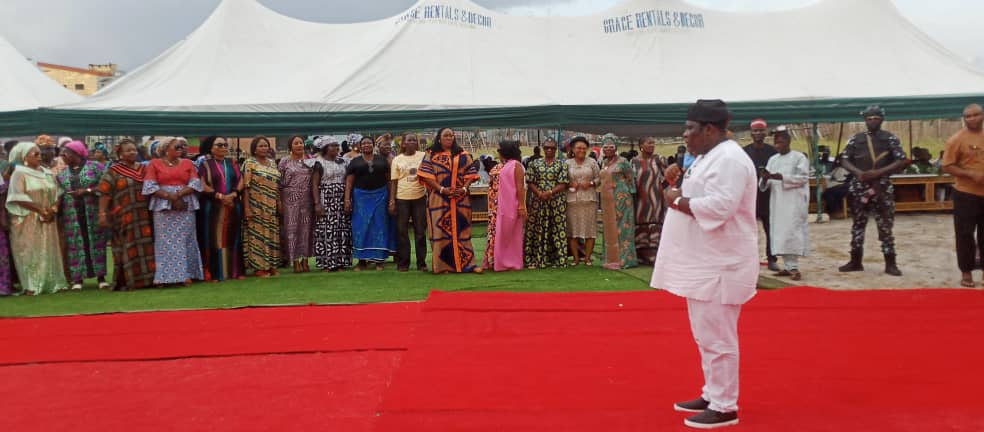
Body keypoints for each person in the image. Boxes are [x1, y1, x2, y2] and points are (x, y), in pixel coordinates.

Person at [652, 100, 757, 429]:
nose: (685, 134)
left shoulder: (729, 159)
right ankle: (713, 393)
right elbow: (698, 193)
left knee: (719, 338)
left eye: (690, 128)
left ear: (709, 129)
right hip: (705, 261)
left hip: (722, 263)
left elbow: (721, 206)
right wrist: (676, 187)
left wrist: (677, 200)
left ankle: (725, 406)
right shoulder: (707, 156)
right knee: (706, 335)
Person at [838, 105, 907, 276]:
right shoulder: (856, 139)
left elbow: (901, 160)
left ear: (882, 119)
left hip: (881, 187)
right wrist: (858, 173)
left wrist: (879, 172)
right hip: (859, 187)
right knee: (857, 225)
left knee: (885, 226)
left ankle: (890, 263)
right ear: (865, 120)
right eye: (869, 118)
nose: (872, 121)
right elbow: (844, 159)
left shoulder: (890, 138)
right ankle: (855, 261)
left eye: (876, 118)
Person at [5, 142, 69, 295]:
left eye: (40, 153)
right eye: (35, 154)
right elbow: (17, 196)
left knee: (49, 249)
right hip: (27, 219)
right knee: (29, 251)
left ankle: (53, 282)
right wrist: (40, 210)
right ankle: (31, 285)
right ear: (24, 157)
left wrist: (53, 209)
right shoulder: (19, 173)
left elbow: (58, 192)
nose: (40, 156)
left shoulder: (47, 172)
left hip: (47, 217)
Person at [417, 127, 482, 273]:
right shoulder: (431, 154)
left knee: (462, 230)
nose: (449, 138)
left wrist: (464, 188)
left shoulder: (463, 154)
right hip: (438, 199)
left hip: (460, 199)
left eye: (451, 135)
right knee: (440, 233)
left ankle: (468, 265)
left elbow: (471, 174)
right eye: (446, 135)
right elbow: (426, 175)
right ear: (439, 138)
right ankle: (442, 266)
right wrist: (441, 189)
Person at [143, 137, 204, 286]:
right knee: (164, 241)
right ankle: (163, 277)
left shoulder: (188, 163)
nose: (181, 149)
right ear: (165, 149)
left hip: (185, 203)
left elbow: (195, 183)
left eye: (182, 147)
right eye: (177, 147)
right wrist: (170, 196)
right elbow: (150, 185)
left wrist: (179, 195)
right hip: (163, 205)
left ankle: (186, 274)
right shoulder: (154, 164)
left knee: (186, 239)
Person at [97, 139, 156, 290]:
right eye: (128, 150)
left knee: (146, 246)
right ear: (120, 154)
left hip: (144, 215)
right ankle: (127, 281)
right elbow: (104, 193)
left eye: (134, 150)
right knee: (126, 246)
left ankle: (147, 280)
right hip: (123, 215)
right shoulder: (113, 171)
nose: (132, 152)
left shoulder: (144, 169)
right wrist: (102, 213)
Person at [758, 126, 810, 281]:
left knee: (791, 232)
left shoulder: (799, 157)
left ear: (788, 141)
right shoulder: (773, 159)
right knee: (780, 233)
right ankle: (787, 266)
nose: (777, 145)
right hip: (777, 202)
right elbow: (764, 184)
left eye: (780, 142)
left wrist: (782, 177)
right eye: (776, 143)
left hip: (793, 201)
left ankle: (793, 267)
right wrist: (765, 178)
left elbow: (803, 178)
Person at [56, 140, 110, 290]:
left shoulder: (95, 167)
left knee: (97, 243)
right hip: (71, 214)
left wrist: (87, 191)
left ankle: (101, 277)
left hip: (92, 211)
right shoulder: (62, 174)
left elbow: (105, 186)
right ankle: (78, 279)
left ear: (76, 153)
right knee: (75, 245)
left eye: (65, 153)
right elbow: (60, 193)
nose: (62, 156)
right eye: (61, 154)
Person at [941, 104, 984, 287]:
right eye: (968, 116)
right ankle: (966, 273)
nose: (972, 119)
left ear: (982, 115)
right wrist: (970, 174)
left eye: (976, 115)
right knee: (965, 235)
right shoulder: (956, 140)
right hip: (966, 194)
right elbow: (947, 166)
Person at [197, 135, 245, 282]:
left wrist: (233, 194)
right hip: (213, 206)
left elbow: (241, 180)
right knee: (214, 239)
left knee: (234, 237)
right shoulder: (205, 164)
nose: (223, 147)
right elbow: (202, 184)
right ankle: (215, 273)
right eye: (219, 145)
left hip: (232, 205)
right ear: (211, 148)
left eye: (225, 145)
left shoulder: (233, 162)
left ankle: (235, 271)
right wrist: (219, 196)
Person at [345, 135, 396, 270]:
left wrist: (392, 199)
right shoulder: (355, 161)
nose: (366, 145)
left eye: (369, 143)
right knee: (361, 227)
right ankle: (362, 261)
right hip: (360, 198)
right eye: (364, 143)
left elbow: (390, 181)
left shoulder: (382, 160)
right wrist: (347, 199)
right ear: (360, 146)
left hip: (381, 196)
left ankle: (379, 260)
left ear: (373, 145)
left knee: (380, 226)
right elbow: (349, 182)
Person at [524, 137, 570, 268]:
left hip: (556, 201)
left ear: (556, 149)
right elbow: (530, 181)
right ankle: (535, 258)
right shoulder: (534, 163)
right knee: (536, 228)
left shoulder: (562, 164)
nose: (549, 150)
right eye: (547, 148)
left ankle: (558, 259)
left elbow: (563, 183)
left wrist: (549, 192)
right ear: (543, 149)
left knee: (557, 228)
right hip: (537, 201)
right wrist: (539, 193)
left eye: (552, 148)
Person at [483, 140, 527, 271]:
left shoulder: (516, 165)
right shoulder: (503, 165)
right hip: (498, 205)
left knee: (510, 233)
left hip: (510, 204)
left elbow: (520, 187)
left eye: (499, 150)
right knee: (499, 232)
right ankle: (497, 260)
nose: (498, 152)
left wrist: (522, 205)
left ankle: (511, 261)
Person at [242, 135, 282, 277]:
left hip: (271, 205)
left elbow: (277, 185)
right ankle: (259, 267)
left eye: (266, 145)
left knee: (271, 234)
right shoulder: (249, 163)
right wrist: (247, 208)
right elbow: (245, 187)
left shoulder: (272, 163)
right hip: (256, 205)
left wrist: (279, 202)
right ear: (254, 149)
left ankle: (271, 265)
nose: (264, 148)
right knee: (257, 236)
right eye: (261, 146)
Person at [311, 136, 352, 272]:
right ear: (325, 148)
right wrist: (317, 203)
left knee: (341, 230)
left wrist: (347, 200)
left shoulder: (343, 161)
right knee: (327, 230)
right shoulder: (319, 163)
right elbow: (314, 185)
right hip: (326, 199)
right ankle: (327, 263)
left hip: (341, 199)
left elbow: (348, 180)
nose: (336, 148)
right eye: (332, 145)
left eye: (337, 145)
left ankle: (340, 262)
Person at [743, 118, 779, 271]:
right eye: (755, 131)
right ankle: (748, 260)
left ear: (765, 133)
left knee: (771, 229)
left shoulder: (773, 152)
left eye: (761, 131)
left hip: (768, 196)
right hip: (750, 197)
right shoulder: (744, 152)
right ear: (751, 133)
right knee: (748, 230)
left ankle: (772, 259)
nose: (758, 133)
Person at [390, 133, 428, 272]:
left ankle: (421, 263)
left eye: (414, 140)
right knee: (402, 232)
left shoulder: (423, 156)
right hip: (402, 199)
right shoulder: (397, 159)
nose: (412, 142)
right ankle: (403, 263)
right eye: (409, 140)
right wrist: (392, 200)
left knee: (420, 232)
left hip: (420, 198)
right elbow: (394, 182)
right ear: (403, 143)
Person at [598, 135, 637, 270]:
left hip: (622, 198)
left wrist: (629, 194)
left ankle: (625, 260)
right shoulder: (604, 163)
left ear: (616, 148)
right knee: (610, 228)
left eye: (611, 147)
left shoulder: (623, 161)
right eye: (605, 147)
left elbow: (631, 177)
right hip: (607, 200)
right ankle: (611, 258)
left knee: (623, 228)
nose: (608, 149)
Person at [279, 135, 315, 273]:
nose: (299, 145)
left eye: (301, 143)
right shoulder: (284, 161)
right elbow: (279, 183)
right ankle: (294, 261)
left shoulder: (310, 160)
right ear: (290, 146)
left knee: (306, 230)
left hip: (307, 199)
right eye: (296, 143)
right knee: (292, 230)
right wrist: (279, 201)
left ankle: (305, 260)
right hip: (290, 200)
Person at [565, 137, 600, 266]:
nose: (582, 150)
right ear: (573, 149)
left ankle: (587, 258)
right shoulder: (567, 163)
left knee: (590, 230)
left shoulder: (592, 162)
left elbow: (599, 179)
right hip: (572, 201)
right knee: (573, 230)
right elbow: (561, 180)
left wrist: (590, 183)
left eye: (584, 148)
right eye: (579, 148)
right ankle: (575, 258)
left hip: (589, 200)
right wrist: (569, 183)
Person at [632, 136, 667, 265]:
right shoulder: (634, 162)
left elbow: (669, 176)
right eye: (649, 143)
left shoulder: (659, 159)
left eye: (653, 143)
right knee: (641, 223)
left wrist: (660, 187)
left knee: (655, 222)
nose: (652, 145)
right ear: (641, 145)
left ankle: (655, 257)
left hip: (655, 198)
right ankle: (641, 256)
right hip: (640, 199)